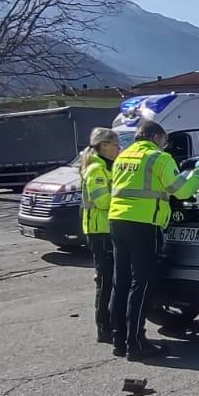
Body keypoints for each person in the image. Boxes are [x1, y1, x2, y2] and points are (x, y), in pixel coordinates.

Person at [106, 120, 199, 360]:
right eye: (164, 140)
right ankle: (137, 344)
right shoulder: (159, 158)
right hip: (144, 224)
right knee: (141, 283)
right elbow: (182, 192)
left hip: (117, 220)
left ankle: (119, 341)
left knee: (121, 281)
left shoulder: (123, 157)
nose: (165, 145)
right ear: (155, 137)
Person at [79, 127, 121, 345]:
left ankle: (110, 325)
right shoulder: (96, 169)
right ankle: (104, 328)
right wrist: (127, 201)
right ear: (104, 146)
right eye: (115, 144)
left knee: (111, 280)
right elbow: (102, 202)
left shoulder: (107, 167)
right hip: (100, 231)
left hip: (107, 229)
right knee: (105, 282)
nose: (119, 148)